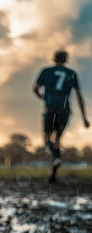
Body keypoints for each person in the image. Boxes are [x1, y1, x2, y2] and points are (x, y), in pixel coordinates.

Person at [32, 50, 90, 184]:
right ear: (66, 59)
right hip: (64, 110)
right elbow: (79, 96)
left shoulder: (46, 71)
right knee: (57, 139)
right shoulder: (72, 74)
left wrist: (43, 98)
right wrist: (84, 118)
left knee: (47, 138)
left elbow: (35, 88)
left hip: (51, 108)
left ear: (54, 58)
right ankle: (54, 174)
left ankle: (55, 157)